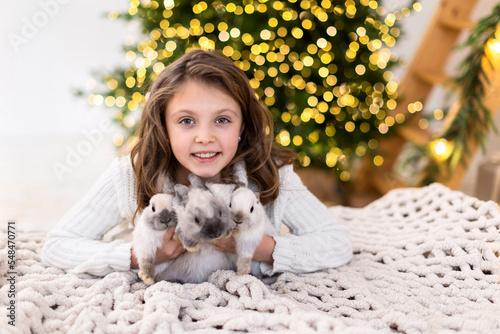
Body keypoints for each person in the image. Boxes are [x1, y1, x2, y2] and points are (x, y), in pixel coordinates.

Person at [41, 49, 352, 278]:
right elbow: (58, 244)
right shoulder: (131, 174)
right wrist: (137, 256)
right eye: (187, 121)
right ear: (164, 125)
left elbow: (336, 243)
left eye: (222, 120)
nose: (205, 137)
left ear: (242, 126)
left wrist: (259, 248)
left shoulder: (269, 172)